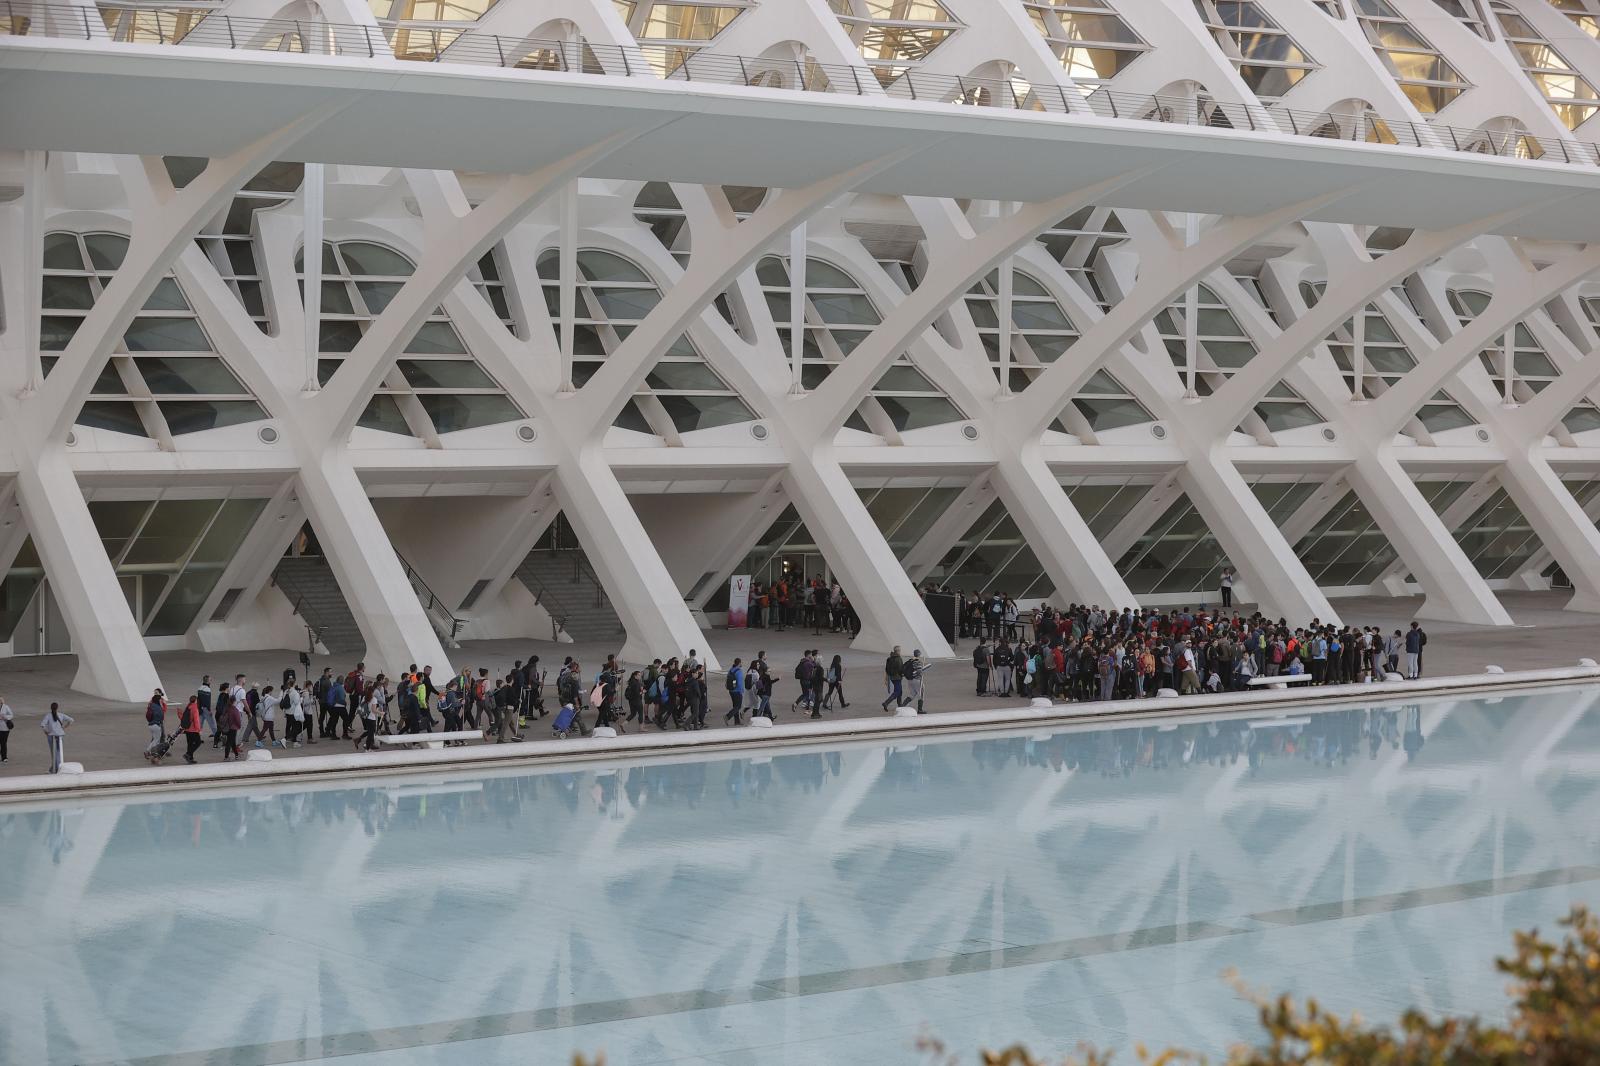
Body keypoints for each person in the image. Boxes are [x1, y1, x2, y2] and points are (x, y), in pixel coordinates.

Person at [41, 702, 72, 773]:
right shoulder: (61, 715)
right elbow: (71, 720)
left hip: (51, 736)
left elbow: (43, 724)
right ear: (57, 708)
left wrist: (46, 732)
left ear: (51, 708)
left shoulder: (48, 715)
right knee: (58, 752)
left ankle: (54, 769)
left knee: (54, 753)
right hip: (60, 736)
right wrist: (64, 727)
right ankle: (55, 768)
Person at [180, 695, 203, 764]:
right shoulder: (195, 708)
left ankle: (190, 758)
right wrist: (199, 729)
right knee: (198, 742)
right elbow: (196, 720)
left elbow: (184, 717)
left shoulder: (188, 706)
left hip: (187, 729)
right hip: (193, 729)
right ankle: (188, 754)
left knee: (190, 744)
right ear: (196, 700)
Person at [882, 646, 904, 712]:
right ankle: (886, 703)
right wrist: (903, 674)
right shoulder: (899, 658)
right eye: (899, 650)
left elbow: (886, 669)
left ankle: (900, 705)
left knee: (900, 691)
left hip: (892, 677)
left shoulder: (889, 658)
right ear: (897, 651)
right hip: (897, 677)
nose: (900, 651)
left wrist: (886, 678)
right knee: (897, 692)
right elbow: (901, 669)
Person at [197, 675, 216, 745]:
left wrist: (199, 708)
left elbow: (199, 699)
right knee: (212, 724)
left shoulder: (200, 688)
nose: (211, 681)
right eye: (210, 680)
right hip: (206, 709)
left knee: (199, 724)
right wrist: (209, 710)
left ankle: (198, 738)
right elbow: (207, 701)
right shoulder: (208, 689)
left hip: (200, 709)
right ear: (207, 681)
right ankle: (217, 736)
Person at [724, 659, 744, 725]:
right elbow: (740, 683)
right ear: (739, 663)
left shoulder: (731, 670)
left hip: (731, 690)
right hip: (737, 691)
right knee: (738, 706)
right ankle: (727, 716)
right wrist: (741, 691)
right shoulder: (739, 671)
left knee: (735, 706)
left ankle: (737, 721)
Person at [0, 693, 12, 763]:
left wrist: (4, 717)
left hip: (5, 728)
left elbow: (11, 715)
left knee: (3, 743)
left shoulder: (6, 707)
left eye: (1, 700)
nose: (0, 701)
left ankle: (4, 757)